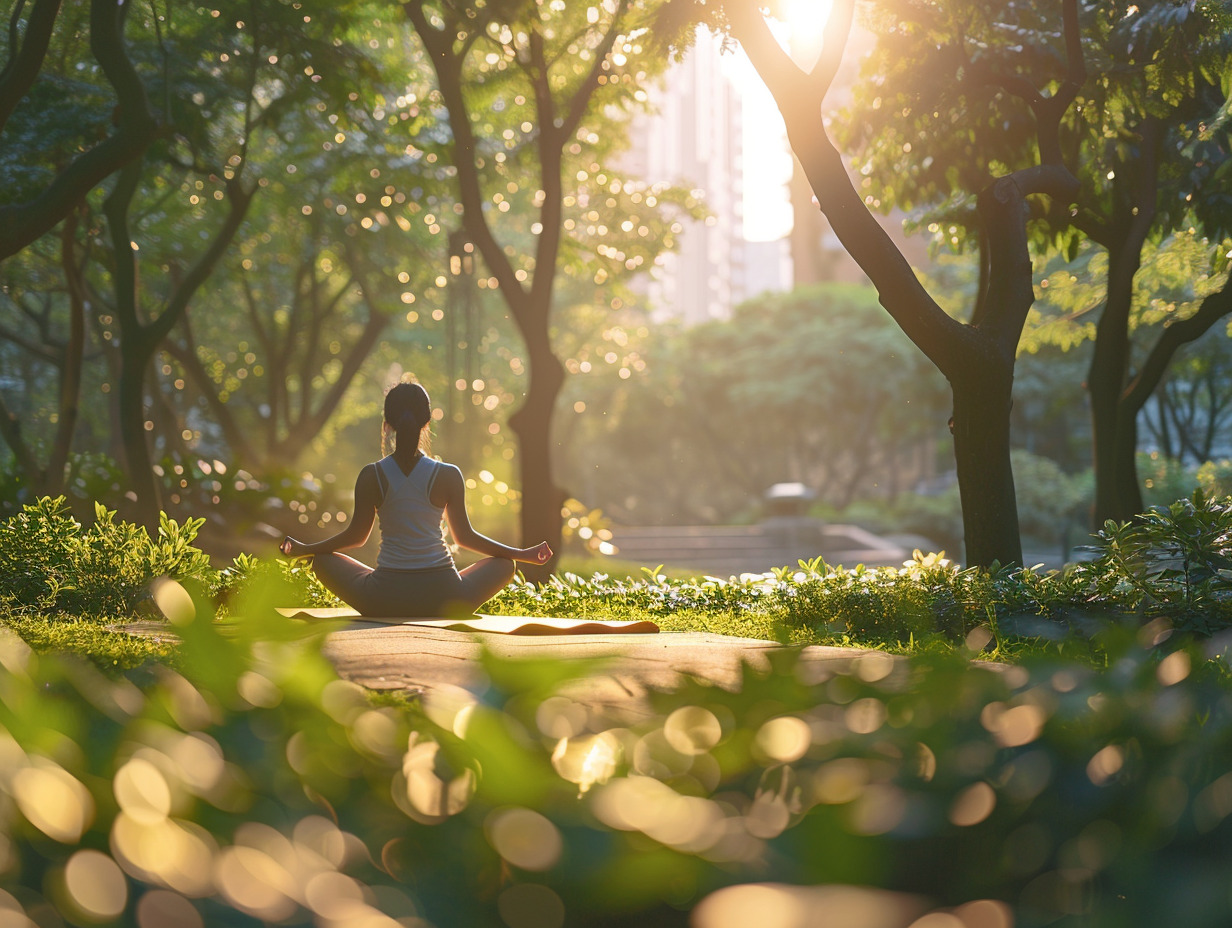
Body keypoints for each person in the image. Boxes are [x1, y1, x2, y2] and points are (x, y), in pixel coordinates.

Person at [280, 381, 551, 617]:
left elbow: (355, 537)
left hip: (382, 599)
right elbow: (464, 538)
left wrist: (307, 549)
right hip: (447, 599)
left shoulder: (371, 475)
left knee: (323, 561)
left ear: (387, 424)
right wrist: (521, 555)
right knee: (505, 564)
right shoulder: (448, 474)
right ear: (427, 423)